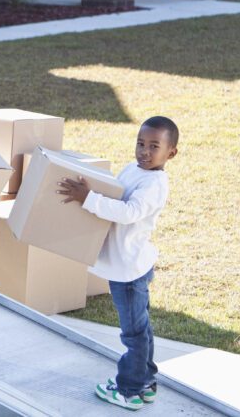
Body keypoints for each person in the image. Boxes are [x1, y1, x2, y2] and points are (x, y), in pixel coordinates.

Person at [57, 116, 180, 411]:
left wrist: (87, 199)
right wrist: (92, 191)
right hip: (128, 264)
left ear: (171, 153)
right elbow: (116, 192)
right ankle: (145, 381)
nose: (144, 152)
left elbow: (127, 212)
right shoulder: (135, 169)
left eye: (154, 146)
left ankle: (128, 389)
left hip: (128, 271)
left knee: (134, 333)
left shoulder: (154, 183)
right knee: (141, 328)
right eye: (140, 144)